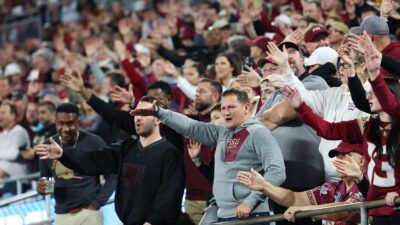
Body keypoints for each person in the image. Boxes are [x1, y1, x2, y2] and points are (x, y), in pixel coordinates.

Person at [132, 88, 285, 223]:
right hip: (224, 215)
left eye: (231, 107)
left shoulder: (258, 132)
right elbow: (191, 127)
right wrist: (160, 112)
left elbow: (277, 172)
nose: (226, 112)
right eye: (223, 107)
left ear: (246, 108)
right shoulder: (221, 132)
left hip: (252, 215)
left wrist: (250, 202)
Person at [36, 97, 185, 225]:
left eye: (144, 114)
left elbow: (169, 198)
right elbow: (91, 161)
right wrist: (63, 154)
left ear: (158, 118)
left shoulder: (170, 153)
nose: (138, 118)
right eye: (135, 113)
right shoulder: (125, 148)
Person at [282, 65, 400, 224]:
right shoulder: (366, 126)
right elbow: (328, 130)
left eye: (373, 93)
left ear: (389, 95)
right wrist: (300, 107)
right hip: (377, 210)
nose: (368, 97)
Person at [238, 141, 366, 225]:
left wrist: (304, 209)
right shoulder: (333, 188)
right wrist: (264, 186)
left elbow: (346, 211)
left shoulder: (368, 186)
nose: (339, 160)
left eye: (346, 155)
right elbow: (294, 198)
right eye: (338, 156)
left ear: (362, 161)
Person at [36, 103, 116, 225]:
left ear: (78, 122)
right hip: (62, 215)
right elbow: (46, 181)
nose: (65, 128)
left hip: (89, 213)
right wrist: (41, 188)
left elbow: (113, 173)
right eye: (61, 124)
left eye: (70, 123)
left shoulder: (94, 142)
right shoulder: (47, 146)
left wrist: (97, 204)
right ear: (55, 122)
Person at [0, 101, 31, 196]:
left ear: (13, 116)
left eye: (3, 113)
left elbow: (13, 154)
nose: (0, 115)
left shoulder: (19, 131)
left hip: (18, 181)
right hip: (4, 182)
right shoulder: (1, 134)